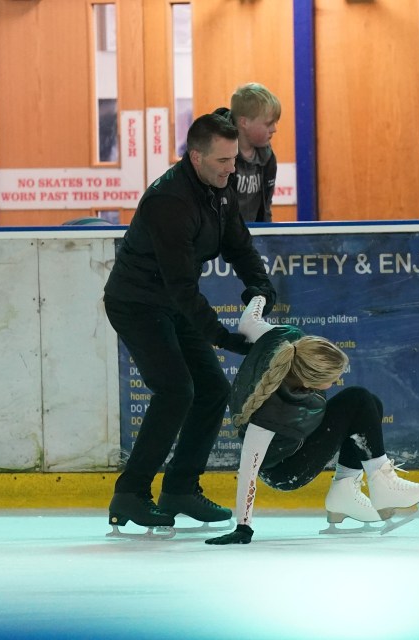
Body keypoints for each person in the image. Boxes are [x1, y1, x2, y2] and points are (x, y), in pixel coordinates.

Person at [104, 113, 277, 530]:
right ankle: (130, 494)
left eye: (234, 159)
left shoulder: (220, 187)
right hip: (137, 303)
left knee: (212, 389)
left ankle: (181, 488)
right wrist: (223, 338)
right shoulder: (170, 201)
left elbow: (239, 245)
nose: (232, 168)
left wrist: (260, 286)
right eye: (222, 161)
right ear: (195, 156)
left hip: (172, 303)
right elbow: (181, 287)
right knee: (176, 389)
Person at [205, 295, 419, 545]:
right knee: (357, 398)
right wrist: (243, 527)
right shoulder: (268, 415)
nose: (335, 382)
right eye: (332, 379)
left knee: (369, 404)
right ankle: (384, 485)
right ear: (307, 382)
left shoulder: (288, 339)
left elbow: (248, 322)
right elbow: (248, 473)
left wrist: (260, 294)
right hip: (284, 469)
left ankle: (345, 492)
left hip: (298, 437)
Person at [213, 83, 280, 223]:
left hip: (252, 238)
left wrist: (266, 239)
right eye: (268, 123)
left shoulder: (268, 158)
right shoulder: (216, 156)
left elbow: (265, 208)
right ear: (244, 122)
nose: (274, 129)